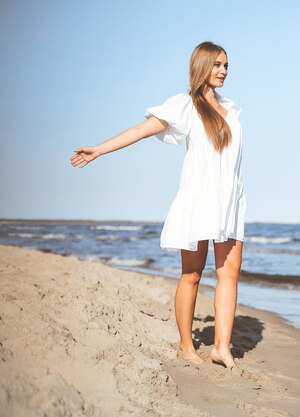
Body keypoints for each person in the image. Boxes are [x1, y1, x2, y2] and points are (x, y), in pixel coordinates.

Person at [69, 41, 246, 370]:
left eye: (226, 66)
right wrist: (99, 150)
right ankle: (184, 345)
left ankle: (222, 347)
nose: (223, 71)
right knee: (192, 274)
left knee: (230, 273)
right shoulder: (185, 105)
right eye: (217, 65)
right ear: (202, 66)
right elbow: (141, 130)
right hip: (199, 198)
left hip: (230, 199)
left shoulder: (231, 108)